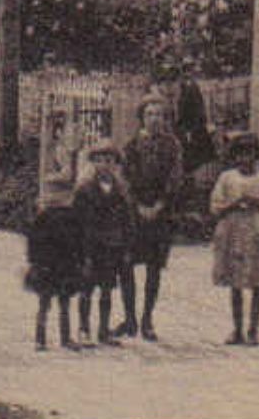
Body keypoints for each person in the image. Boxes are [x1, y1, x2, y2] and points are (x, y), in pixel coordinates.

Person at [117, 91, 183, 341]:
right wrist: (137, 206)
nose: (155, 119)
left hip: (161, 214)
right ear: (141, 118)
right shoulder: (131, 146)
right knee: (126, 265)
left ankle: (147, 319)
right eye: (149, 114)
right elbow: (124, 180)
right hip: (134, 215)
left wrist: (160, 204)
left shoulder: (172, 146)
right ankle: (130, 318)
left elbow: (175, 178)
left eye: (160, 115)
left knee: (154, 267)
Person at [208, 131, 259, 346]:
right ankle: (237, 328)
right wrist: (233, 202)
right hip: (233, 233)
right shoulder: (227, 178)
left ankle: (254, 329)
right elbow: (214, 207)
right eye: (240, 154)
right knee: (235, 282)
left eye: (250, 155)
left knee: (257, 281)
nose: (245, 160)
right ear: (234, 156)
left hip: (257, 234)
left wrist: (258, 202)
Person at [72, 142, 134, 347]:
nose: (105, 165)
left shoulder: (121, 191)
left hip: (113, 245)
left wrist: (126, 247)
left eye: (109, 161)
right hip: (91, 246)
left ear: (116, 164)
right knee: (87, 288)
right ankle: (83, 329)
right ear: (93, 163)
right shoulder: (85, 190)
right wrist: (81, 249)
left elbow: (127, 221)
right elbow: (79, 221)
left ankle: (103, 329)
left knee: (107, 289)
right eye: (100, 160)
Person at [24, 196, 85, 352]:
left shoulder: (47, 216)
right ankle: (50, 338)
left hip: (54, 265)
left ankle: (42, 339)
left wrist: (35, 261)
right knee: (58, 303)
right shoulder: (69, 217)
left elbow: (32, 242)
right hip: (57, 265)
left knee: (47, 303)